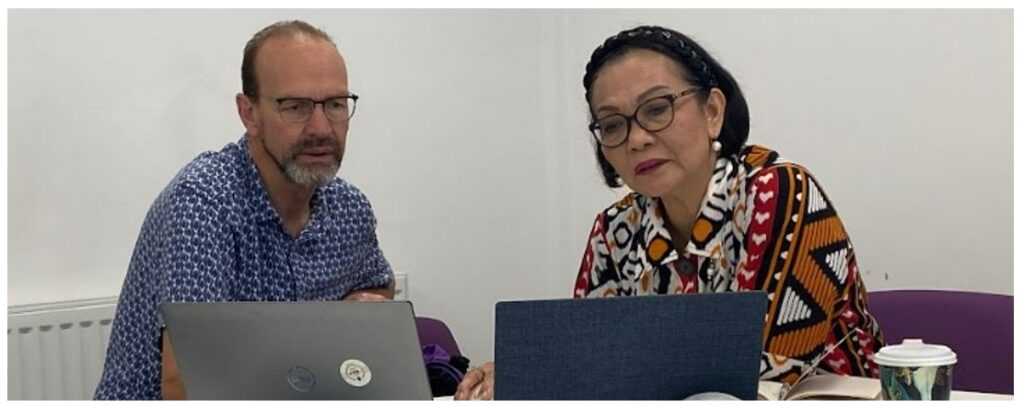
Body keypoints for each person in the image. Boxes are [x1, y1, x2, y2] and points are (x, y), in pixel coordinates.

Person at [456, 25, 884, 400]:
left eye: (657, 109)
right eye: (612, 124)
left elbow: (769, 369)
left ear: (713, 111)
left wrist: (592, 372)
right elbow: (590, 361)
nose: (637, 138)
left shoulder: (782, 193)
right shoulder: (614, 228)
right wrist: (528, 375)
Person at [94, 20, 394, 400]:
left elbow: (378, 288)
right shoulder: (204, 203)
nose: (322, 127)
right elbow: (184, 384)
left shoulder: (349, 207)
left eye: (335, 105)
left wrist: (358, 310)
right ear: (249, 113)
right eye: (296, 106)